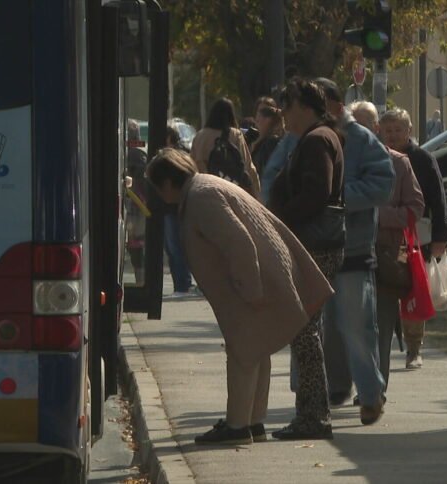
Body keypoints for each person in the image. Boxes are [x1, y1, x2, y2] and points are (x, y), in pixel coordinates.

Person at [146, 148, 334, 445]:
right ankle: (253, 421)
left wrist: (251, 289)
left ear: (167, 183)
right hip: (264, 275)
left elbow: (239, 242)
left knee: (243, 351)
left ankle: (237, 426)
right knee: (256, 349)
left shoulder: (201, 198)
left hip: (252, 282)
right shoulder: (206, 186)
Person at [314, 78, 395, 426]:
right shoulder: (301, 138)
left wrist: (336, 197)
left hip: (352, 250)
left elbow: (383, 185)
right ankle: (325, 392)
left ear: (334, 105)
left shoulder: (362, 139)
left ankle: (371, 394)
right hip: (309, 250)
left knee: (356, 327)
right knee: (318, 330)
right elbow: (274, 179)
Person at [268, 78, 346, 440]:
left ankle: (314, 416)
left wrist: (280, 219)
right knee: (306, 330)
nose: (283, 113)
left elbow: (317, 193)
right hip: (316, 245)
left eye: (287, 105)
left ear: (304, 107)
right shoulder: (316, 138)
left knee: (303, 330)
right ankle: (312, 413)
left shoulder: (317, 141)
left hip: (314, 246)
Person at [351, 101, 425, 391]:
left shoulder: (398, 163)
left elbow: (415, 208)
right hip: (348, 256)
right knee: (356, 327)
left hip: (386, 257)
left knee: (381, 325)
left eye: (364, 125)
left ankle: (375, 388)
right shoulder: (339, 160)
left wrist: (379, 214)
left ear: (376, 128)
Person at [380, 108, 447, 370]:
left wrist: (441, 236)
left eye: (398, 130)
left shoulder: (422, 159)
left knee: (413, 292)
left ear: (409, 131)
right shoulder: (376, 157)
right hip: (385, 237)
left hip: (417, 235)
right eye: (388, 130)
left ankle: (414, 347)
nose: (393, 135)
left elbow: (438, 199)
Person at [191, 98, 261, 199]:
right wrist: (256, 193)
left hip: (203, 192)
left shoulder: (200, 136)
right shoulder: (235, 135)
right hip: (230, 192)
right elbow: (247, 165)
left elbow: (192, 166)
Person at [163, 124, 195, 298]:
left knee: (175, 247)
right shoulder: (182, 153)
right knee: (173, 247)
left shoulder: (175, 155)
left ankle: (182, 285)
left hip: (173, 207)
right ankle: (182, 284)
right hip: (175, 206)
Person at [125, 120, 148, 285]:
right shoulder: (139, 154)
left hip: (133, 204)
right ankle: (140, 279)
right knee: (136, 245)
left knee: (135, 245)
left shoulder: (132, 154)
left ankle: (141, 280)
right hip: (136, 205)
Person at [250, 98, 284, 176]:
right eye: (260, 112)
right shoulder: (254, 142)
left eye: (267, 113)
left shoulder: (272, 142)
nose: (260, 117)